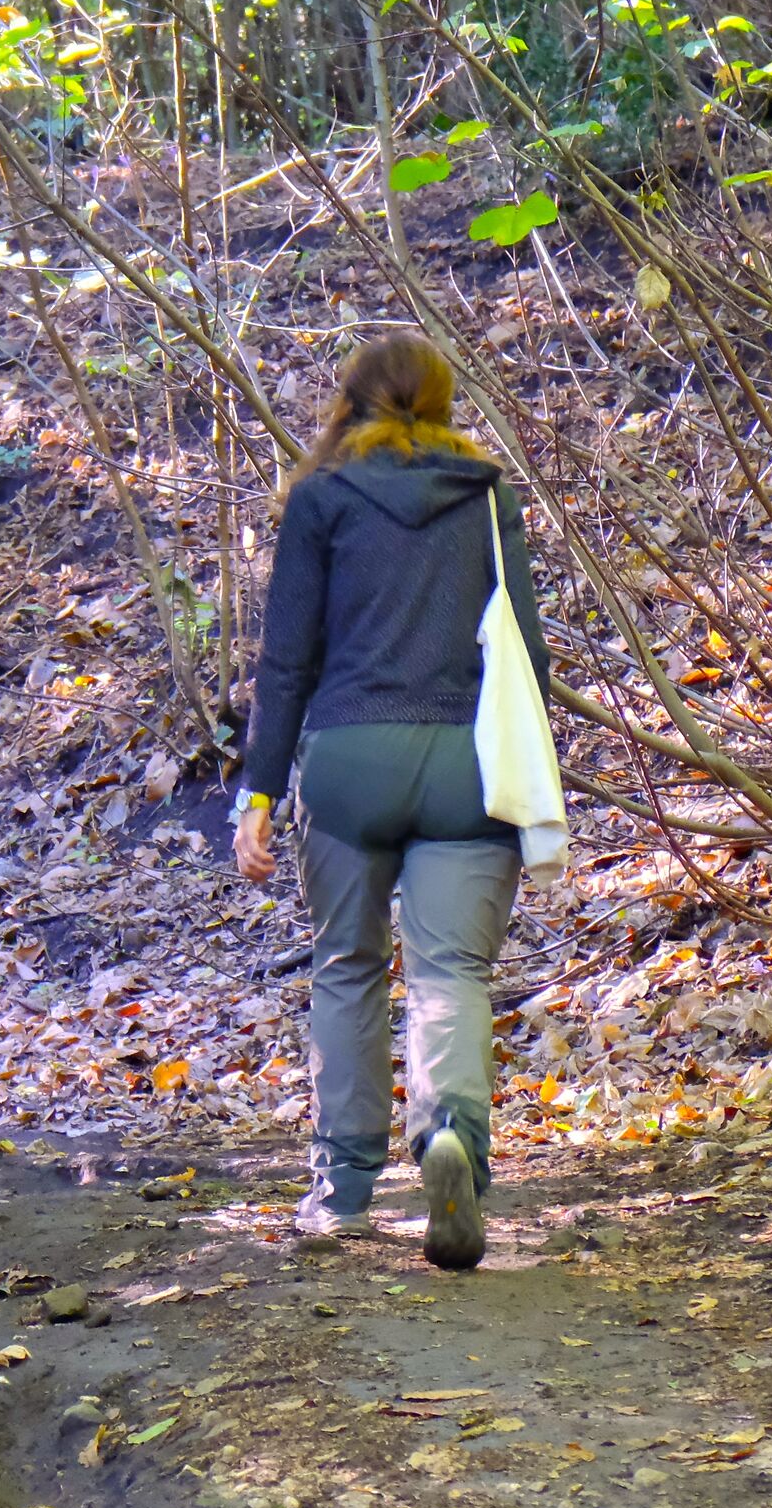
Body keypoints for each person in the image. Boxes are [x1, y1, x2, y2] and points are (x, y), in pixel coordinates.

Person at [230, 334, 550, 1270]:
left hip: (348, 761)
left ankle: (342, 1195)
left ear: (351, 403)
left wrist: (258, 792)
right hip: (466, 764)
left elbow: (286, 662)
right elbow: (524, 653)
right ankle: (451, 1137)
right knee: (449, 972)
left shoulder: (322, 500)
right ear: (443, 401)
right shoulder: (488, 495)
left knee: (347, 967)